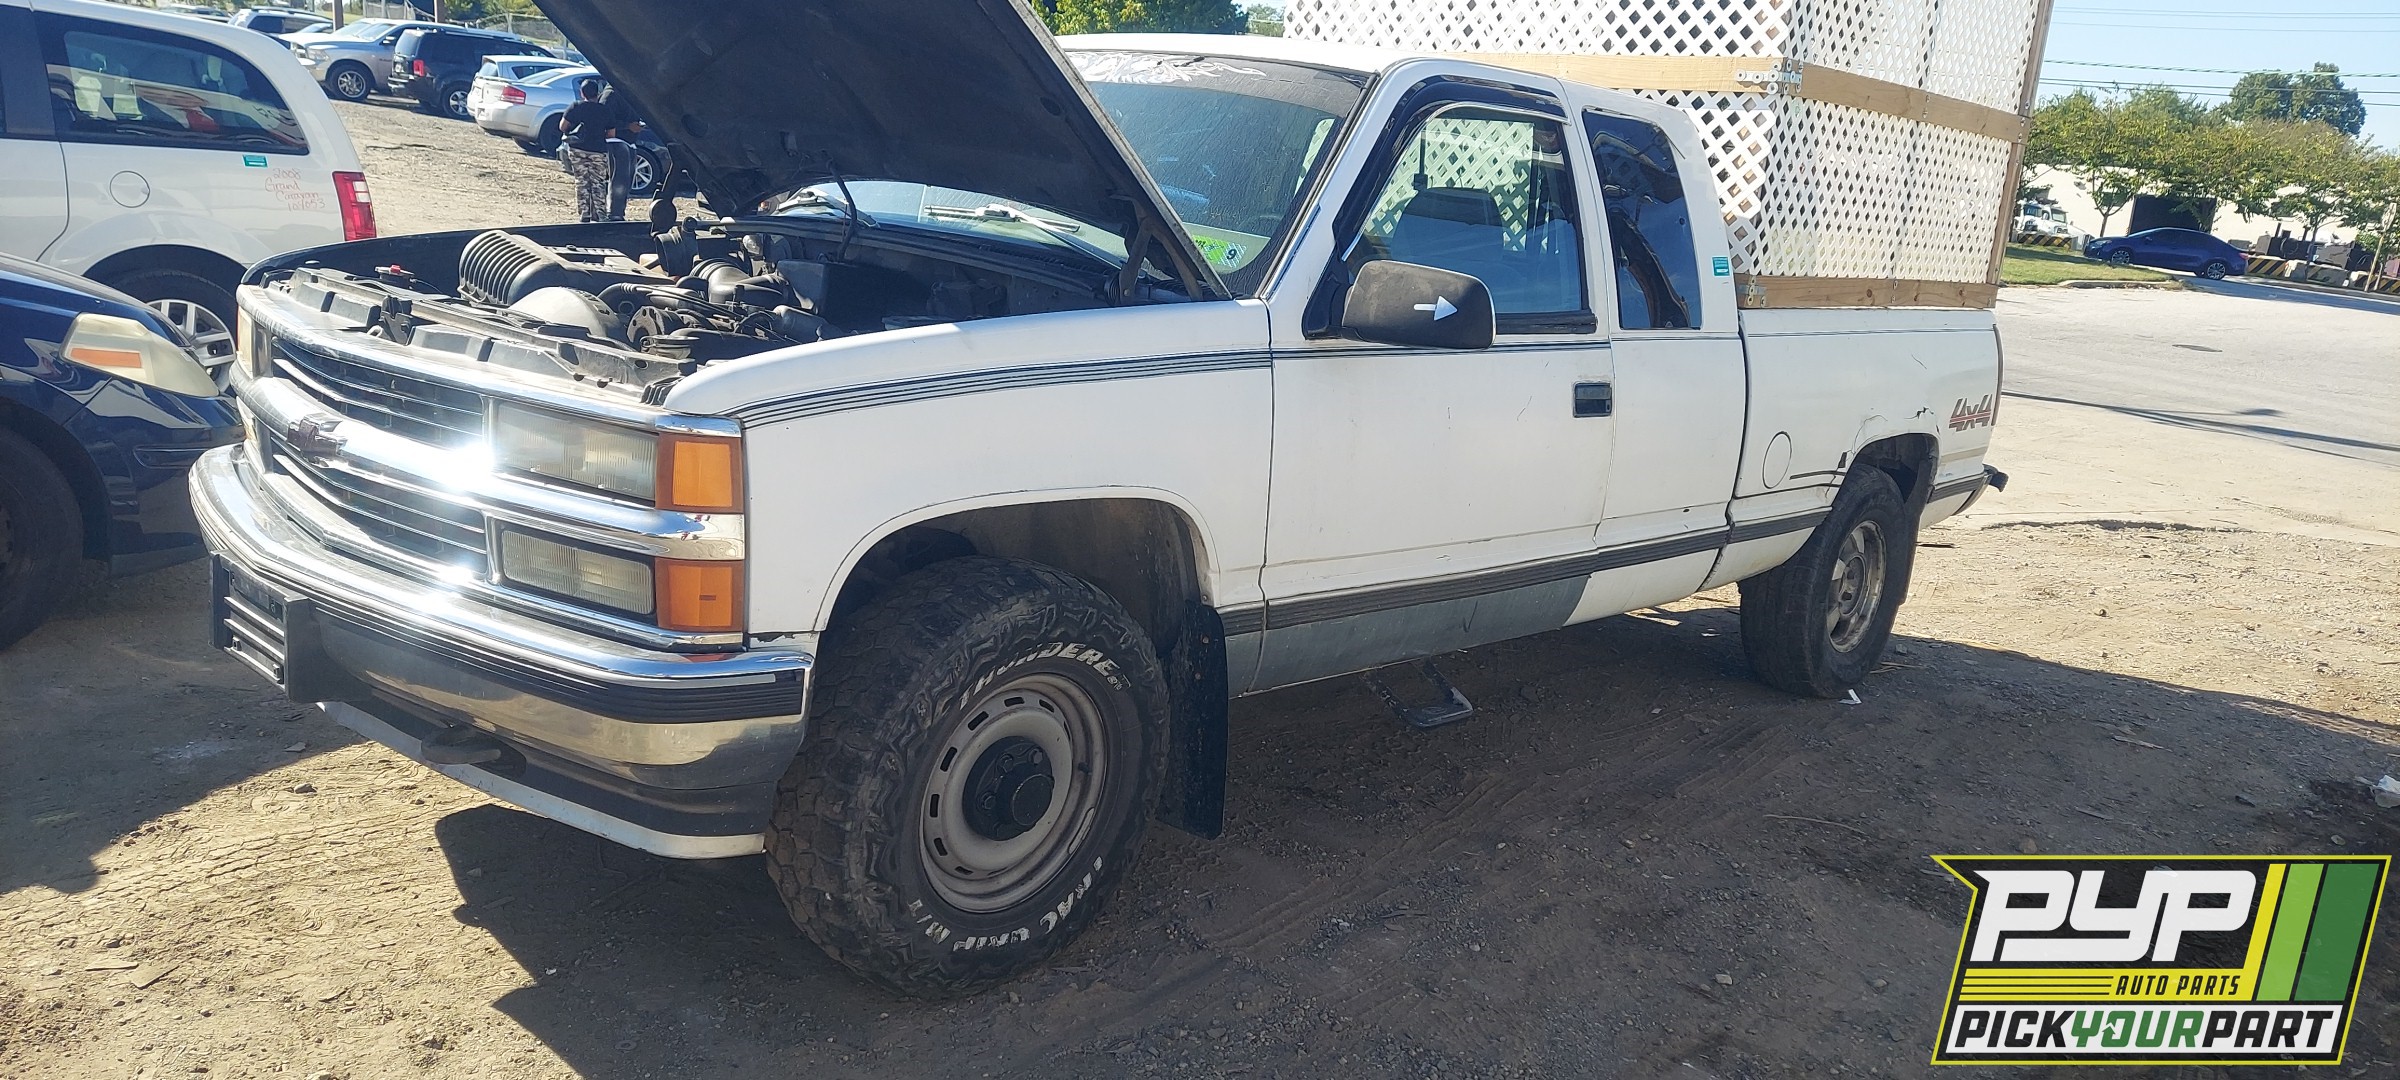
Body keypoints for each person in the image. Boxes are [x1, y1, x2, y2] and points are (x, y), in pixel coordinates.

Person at [559, 79, 624, 222]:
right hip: (598, 151)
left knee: (581, 181)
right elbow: (611, 134)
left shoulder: (575, 107)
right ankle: (600, 214)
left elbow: (562, 126)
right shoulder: (605, 110)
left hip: (577, 150)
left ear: (582, 93)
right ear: (598, 93)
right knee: (598, 182)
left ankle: (585, 213)